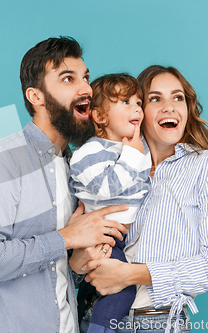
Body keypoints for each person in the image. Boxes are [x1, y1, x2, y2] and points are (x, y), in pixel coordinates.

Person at [0, 36, 129, 333]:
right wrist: (66, 238)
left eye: (85, 77)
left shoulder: (76, 169)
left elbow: (55, 272)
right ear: (36, 96)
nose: (86, 88)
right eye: (68, 78)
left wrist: (78, 262)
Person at [78, 65, 208, 333]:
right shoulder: (110, 165)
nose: (170, 107)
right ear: (138, 111)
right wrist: (82, 257)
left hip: (155, 324)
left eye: (178, 97)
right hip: (90, 318)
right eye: (155, 98)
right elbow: (75, 264)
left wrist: (129, 275)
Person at [69, 74, 151, 333]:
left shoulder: (135, 148)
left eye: (138, 103)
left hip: (123, 238)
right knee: (122, 293)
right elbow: (107, 188)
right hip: (102, 238)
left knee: (107, 289)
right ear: (100, 117)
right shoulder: (89, 152)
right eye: (125, 102)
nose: (136, 108)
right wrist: (133, 155)